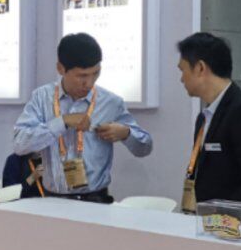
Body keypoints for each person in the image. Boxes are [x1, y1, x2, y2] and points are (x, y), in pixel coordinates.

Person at [12, 33, 152, 202]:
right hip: (53, 200)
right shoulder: (41, 98)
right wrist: (62, 122)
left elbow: (145, 148)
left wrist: (126, 133)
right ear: (60, 69)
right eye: (82, 76)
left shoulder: (111, 103)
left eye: (96, 73)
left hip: (96, 200)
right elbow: (19, 144)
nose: (90, 83)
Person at [176, 32, 241, 223]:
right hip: (213, 226)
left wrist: (221, 215)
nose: (181, 79)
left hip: (239, 228)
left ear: (200, 68)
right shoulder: (204, 118)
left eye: (183, 70)